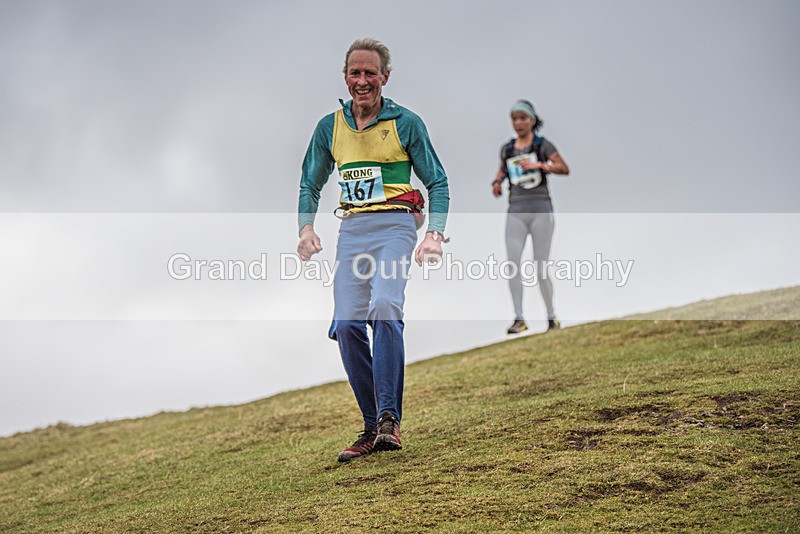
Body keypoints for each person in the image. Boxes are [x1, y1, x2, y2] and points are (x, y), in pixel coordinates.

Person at [296, 38, 450, 462]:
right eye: (355, 73)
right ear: (345, 77)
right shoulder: (330, 127)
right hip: (353, 230)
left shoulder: (407, 122)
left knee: (384, 307)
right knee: (346, 325)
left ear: (385, 76)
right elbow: (310, 182)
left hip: (396, 225)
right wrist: (306, 228)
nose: (362, 81)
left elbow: (437, 182)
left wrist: (433, 233)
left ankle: (388, 420)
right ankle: (370, 428)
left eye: (370, 73)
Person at [492, 99, 570, 335]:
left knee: (540, 265)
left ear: (532, 120)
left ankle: (551, 316)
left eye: (523, 118)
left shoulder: (542, 145)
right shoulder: (507, 148)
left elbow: (563, 168)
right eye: (514, 118)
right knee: (513, 263)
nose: (518, 123)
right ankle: (519, 317)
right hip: (516, 210)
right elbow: (502, 169)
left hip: (540, 209)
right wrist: (497, 182)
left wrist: (539, 166)